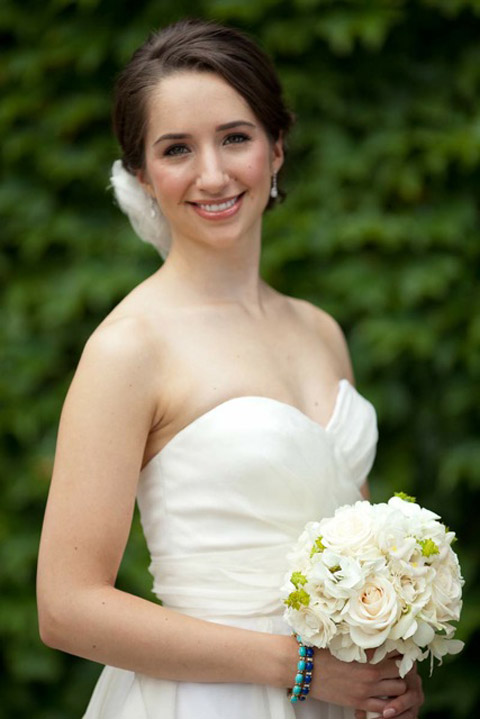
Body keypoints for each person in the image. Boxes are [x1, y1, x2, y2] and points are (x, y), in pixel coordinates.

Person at [37, 18, 424, 719]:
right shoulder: (130, 347)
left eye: (235, 138)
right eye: (176, 149)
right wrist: (299, 668)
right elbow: (66, 607)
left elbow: (358, 553)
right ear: (142, 174)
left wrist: (388, 662)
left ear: (276, 148)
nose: (212, 174)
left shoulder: (320, 331)